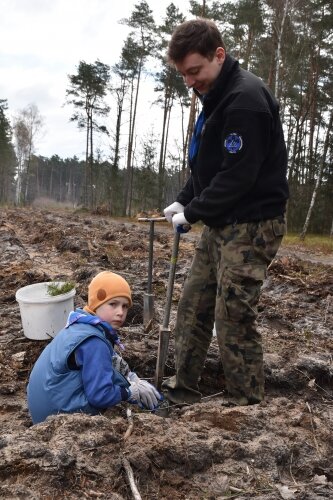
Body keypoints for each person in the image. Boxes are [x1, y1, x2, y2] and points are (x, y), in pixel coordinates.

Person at [162, 18, 289, 406]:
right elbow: (209, 165)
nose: (189, 81)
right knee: (194, 305)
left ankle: (246, 404)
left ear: (219, 55)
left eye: (194, 71)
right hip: (223, 221)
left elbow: (238, 175)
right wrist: (185, 198)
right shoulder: (215, 94)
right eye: (184, 73)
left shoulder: (245, 100)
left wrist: (195, 211)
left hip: (253, 224)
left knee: (232, 314)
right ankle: (181, 389)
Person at [27, 271, 163, 424]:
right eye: (113, 304)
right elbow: (100, 396)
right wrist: (129, 391)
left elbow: (102, 362)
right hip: (57, 417)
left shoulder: (79, 325)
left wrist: (128, 375)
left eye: (125, 306)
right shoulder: (94, 342)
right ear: (96, 304)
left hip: (43, 409)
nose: (120, 312)